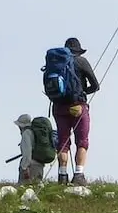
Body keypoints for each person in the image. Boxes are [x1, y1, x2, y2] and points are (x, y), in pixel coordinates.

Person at [52, 37, 100, 185]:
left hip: (59, 107)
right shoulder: (81, 61)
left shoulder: (56, 63)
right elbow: (95, 85)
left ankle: (62, 175)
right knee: (82, 141)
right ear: (78, 51)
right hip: (78, 106)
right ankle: (79, 175)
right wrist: (83, 92)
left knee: (63, 141)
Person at [14, 114, 49, 185]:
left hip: (30, 167)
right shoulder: (35, 132)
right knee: (36, 187)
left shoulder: (26, 133)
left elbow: (27, 152)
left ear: (21, 126)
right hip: (39, 165)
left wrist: (25, 167)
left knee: (24, 188)